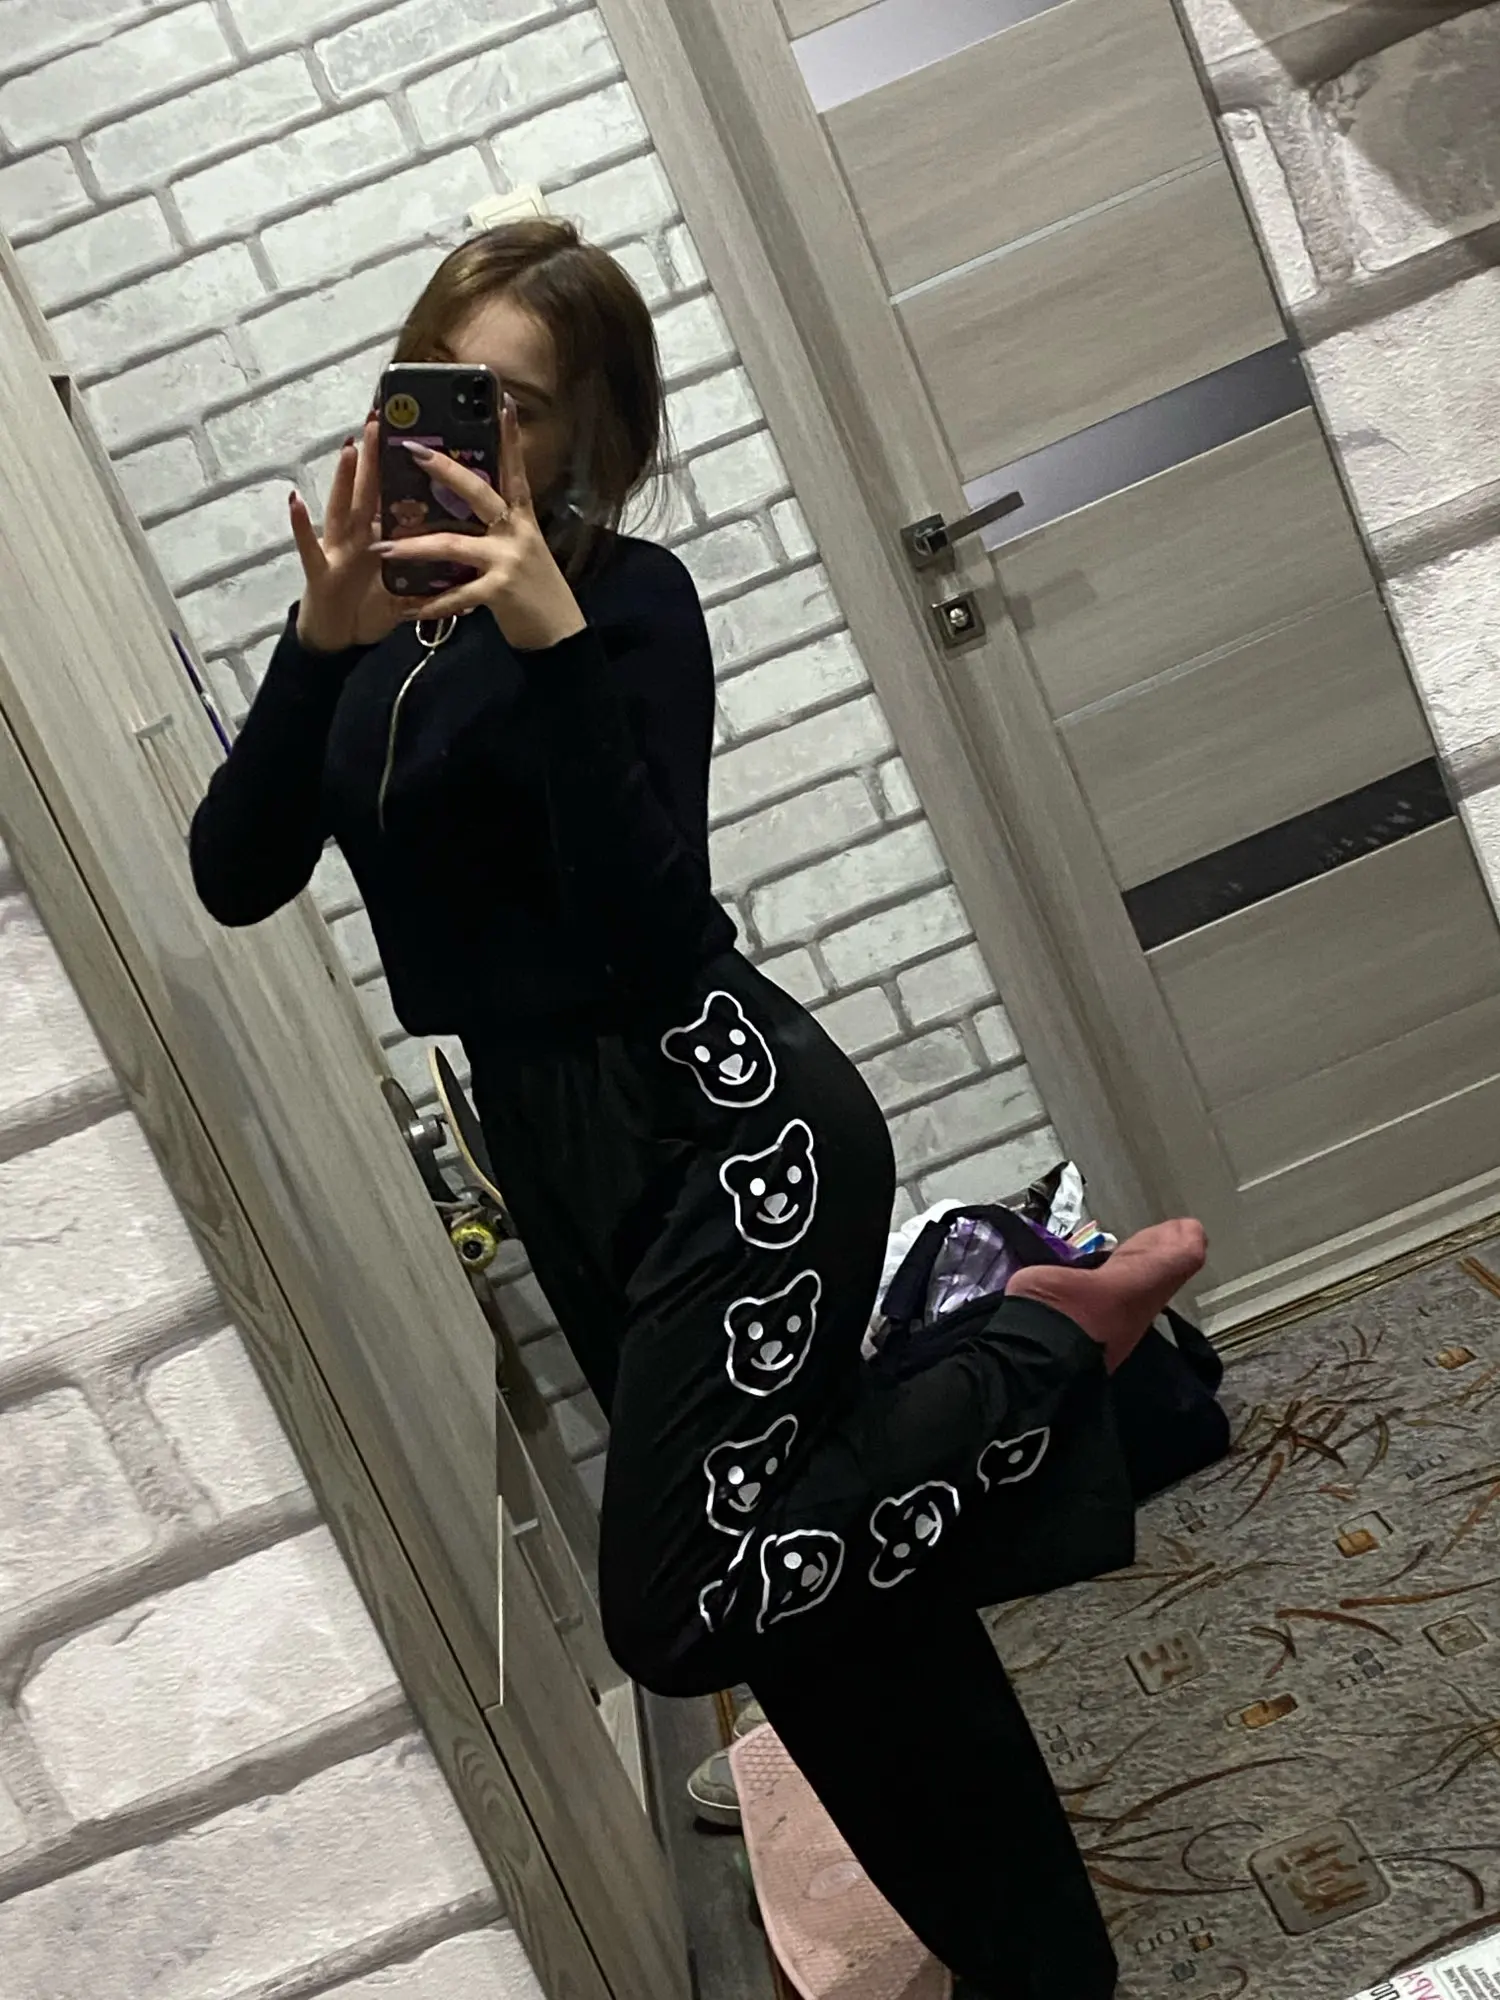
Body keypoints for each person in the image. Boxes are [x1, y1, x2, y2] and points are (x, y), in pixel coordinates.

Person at [188, 217, 1206, 2000]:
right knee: (818, 1610)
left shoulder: (627, 604)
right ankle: (1039, 1969)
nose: (468, 425)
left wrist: (551, 637)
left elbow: (651, 924)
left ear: (584, 430)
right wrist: (314, 639)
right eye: (439, 380)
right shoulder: (369, 635)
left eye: (515, 402)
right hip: (561, 1156)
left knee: (679, 1610)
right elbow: (235, 872)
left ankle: (1050, 1340)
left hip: (729, 1128)